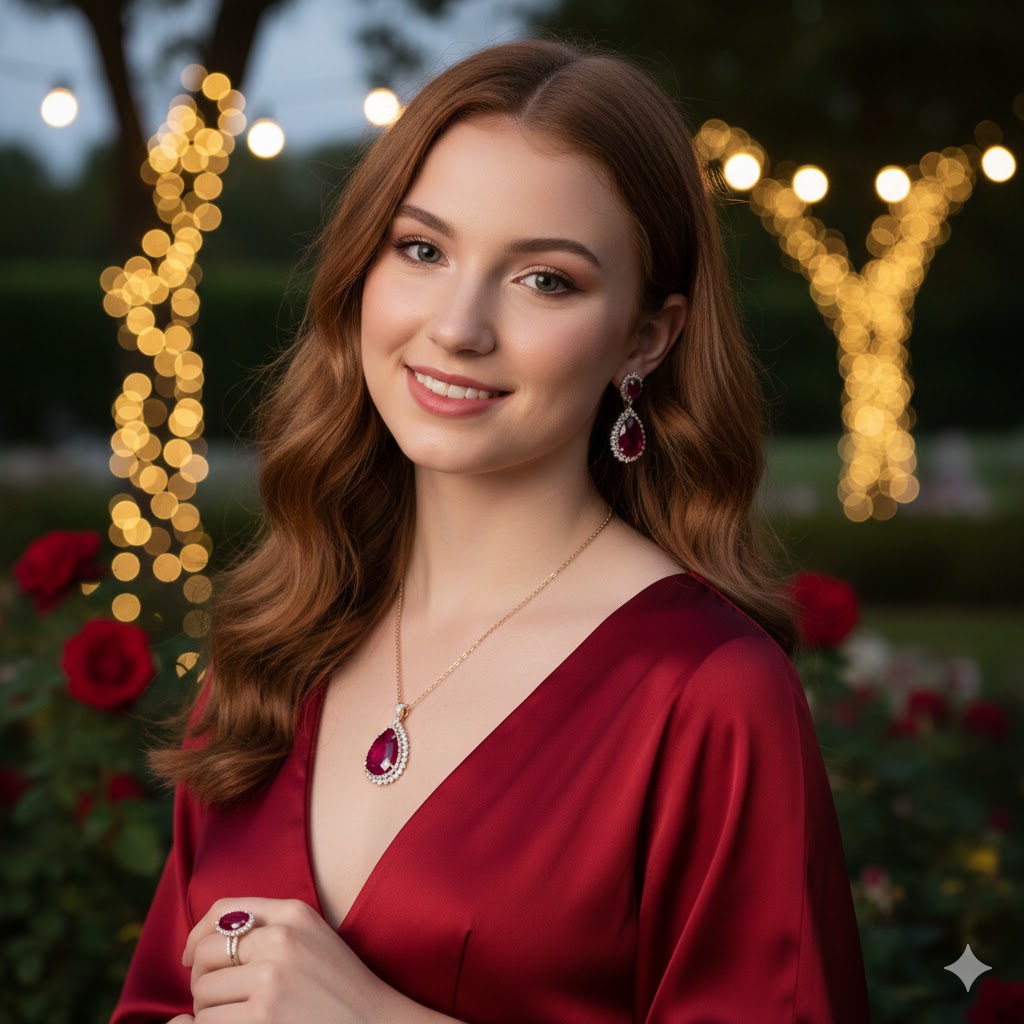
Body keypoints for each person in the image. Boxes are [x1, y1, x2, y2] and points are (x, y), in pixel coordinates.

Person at [111, 37, 871, 1024]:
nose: (458, 325)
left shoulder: (706, 696)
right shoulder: (273, 647)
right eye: (421, 250)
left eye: (544, 279)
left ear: (646, 335)